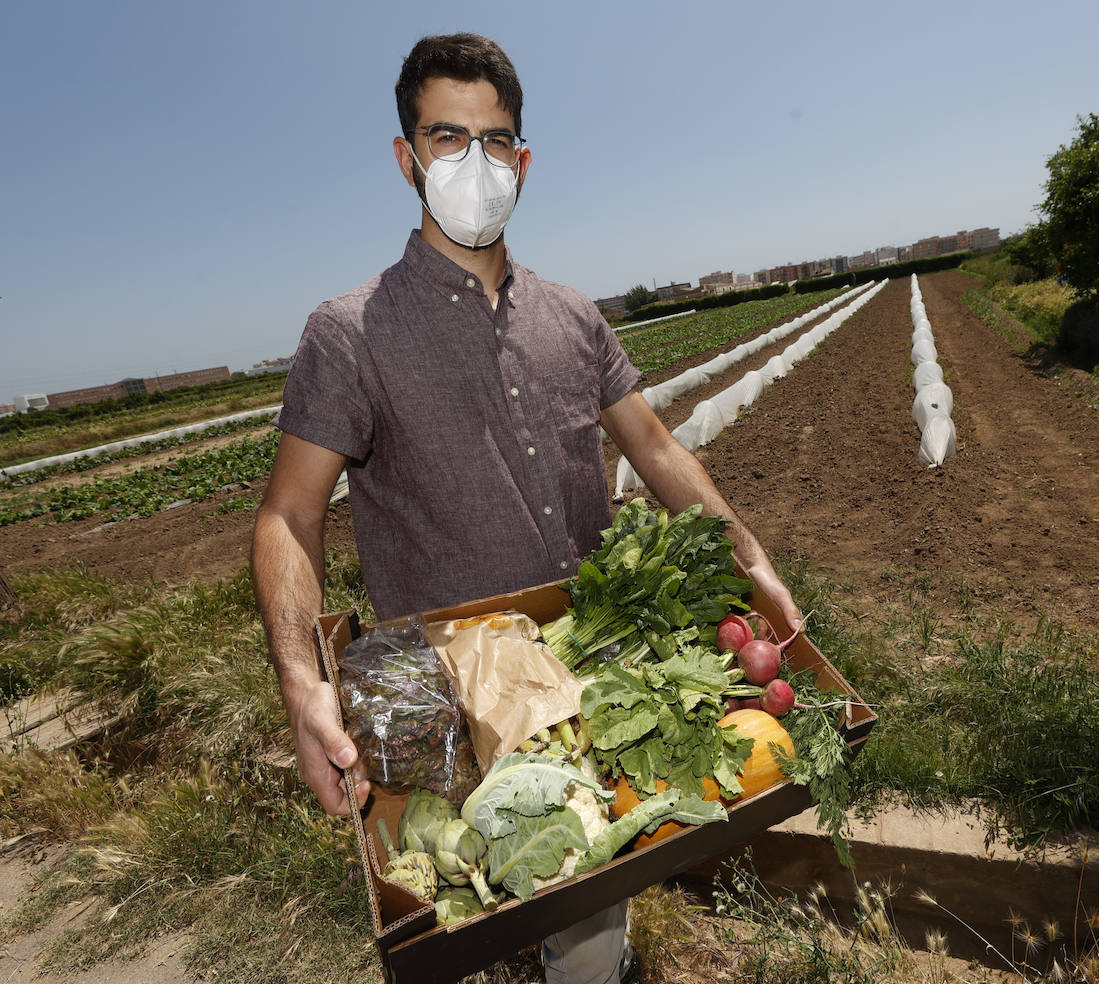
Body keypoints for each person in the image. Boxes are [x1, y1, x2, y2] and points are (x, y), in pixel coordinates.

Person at [250, 31, 801, 984]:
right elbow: (288, 519)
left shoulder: (573, 314)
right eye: (446, 137)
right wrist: (303, 682)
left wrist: (747, 554)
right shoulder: (349, 334)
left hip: (586, 664)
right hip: (447, 691)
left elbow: (656, 446)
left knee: (586, 906)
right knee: (460, 892)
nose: (475, 162)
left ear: (524, 160)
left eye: (495, 140)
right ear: (406, 159)